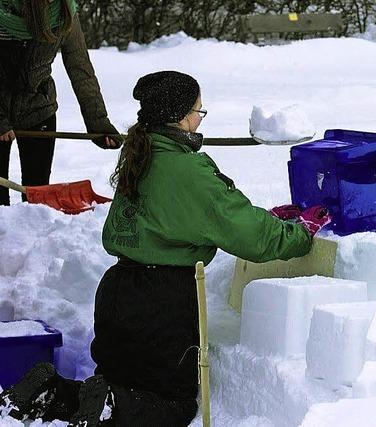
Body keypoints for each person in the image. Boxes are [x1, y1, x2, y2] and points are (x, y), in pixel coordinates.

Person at [0, 71, 331, 426]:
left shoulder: (139, 155)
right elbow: (251, 235)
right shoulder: (189, 170)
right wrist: (299, 233)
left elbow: (181, 214)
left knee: (121, 384)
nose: (199, 119)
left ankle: (47, 391)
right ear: (179, 116)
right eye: (198, 111)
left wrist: (259, 217)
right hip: (163, 305)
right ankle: (110, 403)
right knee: (172, 405)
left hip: (117, 293)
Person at [0, 0, 122, 206]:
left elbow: (80, 69)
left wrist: (98, 123)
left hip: (39, 110)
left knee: (36, 199)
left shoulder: (64, 11)